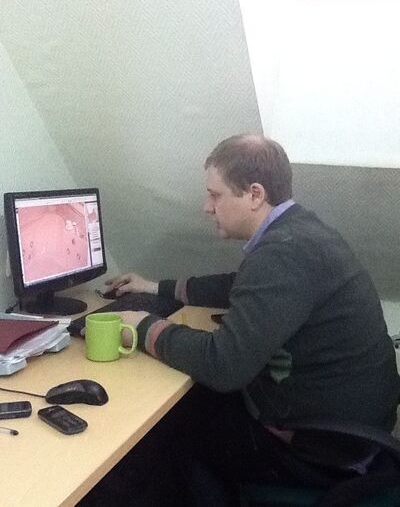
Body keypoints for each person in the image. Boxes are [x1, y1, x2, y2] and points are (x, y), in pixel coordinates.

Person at [106, 134, 399, 505]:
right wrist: (153, 287)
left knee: (169, 431)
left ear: (255, 194)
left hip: (323, 448)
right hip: (354, 425)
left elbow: (224, 365)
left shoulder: (282, 254)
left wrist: (142, 325)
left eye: (215, 195)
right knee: (195, 401)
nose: (207, 207)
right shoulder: (300, 232)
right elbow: (240, 285)